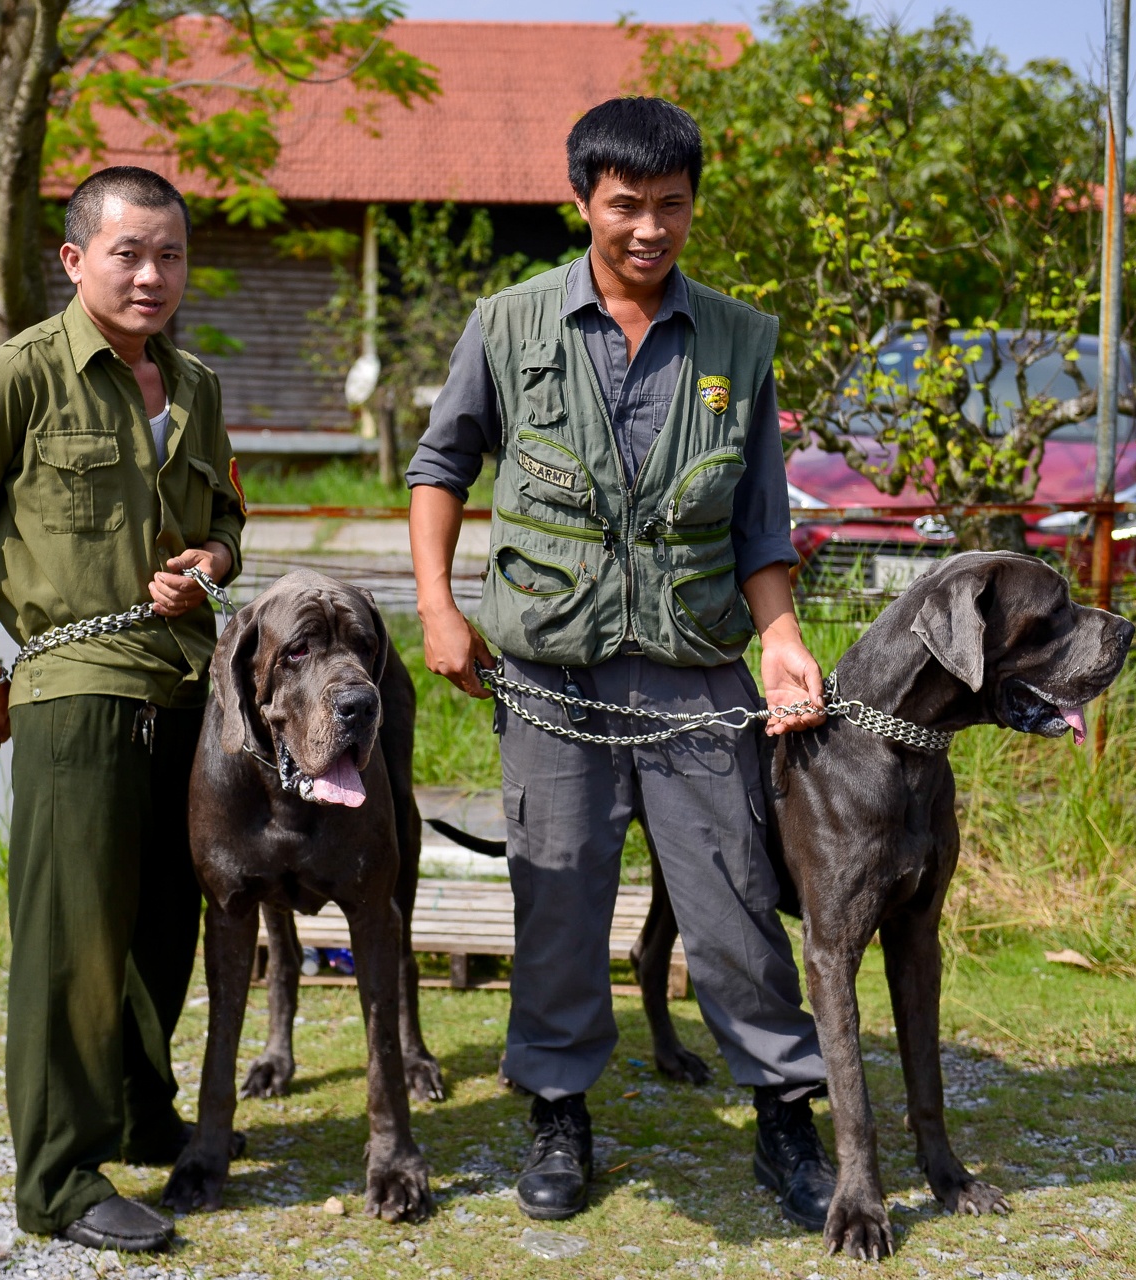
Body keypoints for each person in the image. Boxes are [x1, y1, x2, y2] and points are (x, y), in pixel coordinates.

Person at [405, 97, 838, 1230]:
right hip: (550, 675)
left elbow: (759, 519)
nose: (651, 228)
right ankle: (558, 1109)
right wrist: (438, 606)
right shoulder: (507, 322)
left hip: (695, 674)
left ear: (695, 204)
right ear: (584, 200)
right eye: (627, 205)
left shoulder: (740, 339)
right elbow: (441, 463)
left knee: (737, 899)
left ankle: (786, 1113)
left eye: (673, 206)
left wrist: (782, 635)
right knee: (556, 895)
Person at [0, 166, 245, 1254]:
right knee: (71, 938)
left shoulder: (195, 383)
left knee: (161, 922)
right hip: (74, 689)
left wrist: (212, 560)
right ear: (75, 260)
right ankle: (55, 1176)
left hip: (184, 688)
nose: (152, 276)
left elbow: (230, 516)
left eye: (172, 256)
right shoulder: (18, 379)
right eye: (128, 254)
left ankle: (141, 1113)